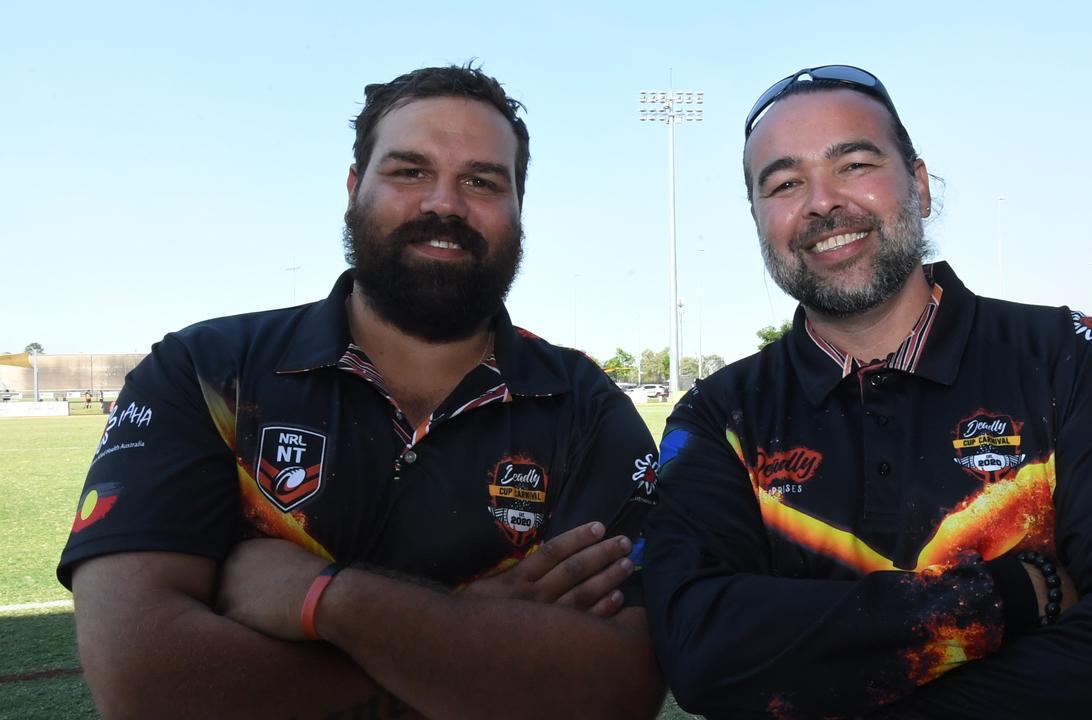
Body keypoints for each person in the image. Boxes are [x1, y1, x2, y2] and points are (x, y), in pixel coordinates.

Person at [59, 64, 664, 719]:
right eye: (409, 171)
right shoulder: (205, 373)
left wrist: (330, 601)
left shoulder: (588, 410)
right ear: (354, 189)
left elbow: (619, 688)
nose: (444, 203)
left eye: (482, 181)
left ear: (520, 208)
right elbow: (146, 684)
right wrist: (471, 630)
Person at [642, 65, 1092, 719]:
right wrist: (1009, 597)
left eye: (855, 164)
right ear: (759, 219)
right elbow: (699, 652)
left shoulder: (1074, 357)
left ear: (919, 186)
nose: (821, 202)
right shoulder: (717, 417)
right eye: (784, 183)